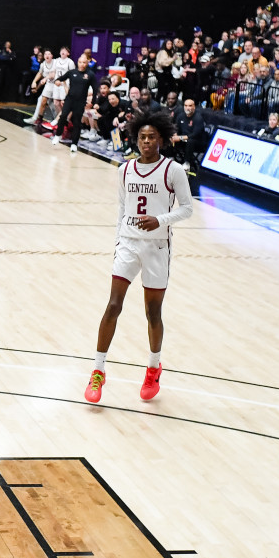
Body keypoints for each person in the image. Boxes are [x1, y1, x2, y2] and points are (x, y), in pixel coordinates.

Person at [85, 109, 193, 404]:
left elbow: (187, 208)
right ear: (136, 138)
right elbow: (122, 207)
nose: (146, 142)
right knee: (113, 305)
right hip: (129, 244)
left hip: (157, 247)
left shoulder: (173, 170)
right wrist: (118, 240)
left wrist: (161, 220)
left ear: (162, 139)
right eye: (142, 137)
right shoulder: (125, 170)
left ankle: (153, 367)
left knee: (152, 313)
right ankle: (98, 370)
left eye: (152, 137)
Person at [53, 54, 95, 152]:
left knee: (77, 122)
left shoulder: (90, 74)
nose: (82, 64)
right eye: (80, 62)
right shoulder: (72, 72)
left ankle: (74, 144)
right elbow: (60, 78)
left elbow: (95, 88)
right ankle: (58, 135)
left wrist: (93, 102)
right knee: (63, 116)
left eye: (84, 62)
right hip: (69, 99)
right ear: (78, 62)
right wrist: (57, 82)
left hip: (80, 102)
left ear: (87, 63)